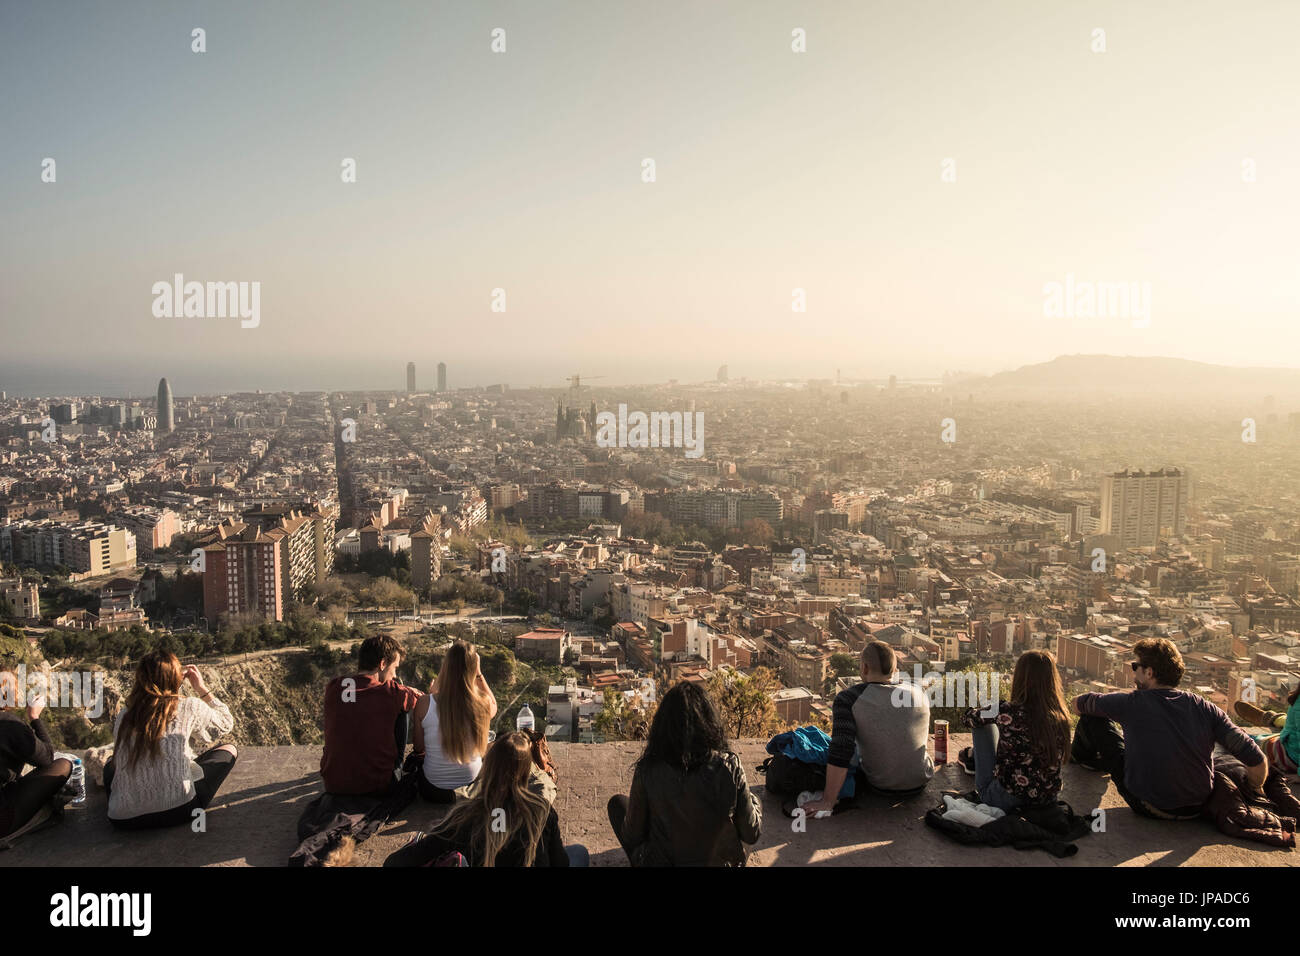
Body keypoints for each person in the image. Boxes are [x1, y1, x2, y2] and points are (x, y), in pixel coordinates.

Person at [1072, 637, 1267, 820]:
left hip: (1149, 805)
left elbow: (1078, 704)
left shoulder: (1131, 703)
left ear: (1149, 672)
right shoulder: (1204, 707)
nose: (1133, 673)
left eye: (1135, 666)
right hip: (1197, 806)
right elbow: (1257, 759)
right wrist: (1254, 788)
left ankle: (1083, 760)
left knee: (1093, 719)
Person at [607, 682, 761, 866]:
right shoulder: (729, 766)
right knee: (754, 802)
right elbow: (751, 834)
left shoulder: (649, 769)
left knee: (617, 805)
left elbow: (632, 836)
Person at [384, 731, 587, 867]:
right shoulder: (542, 810)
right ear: (528, 774)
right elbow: (561, 863)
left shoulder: (465, 817)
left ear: (488, 768)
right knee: (579, 852)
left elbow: (394, 862)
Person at [105, 652, 238, 829]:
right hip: (180, 810)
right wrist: (201, 688)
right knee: (229, 750)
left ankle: (129, 802)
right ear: (176, 677)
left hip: (123, 820)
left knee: (109, 765)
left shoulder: (126, 713)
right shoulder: (189, 706)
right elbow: (225, 724)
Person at [802, 641, 933, 816]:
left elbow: (841, 750)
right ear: (895, 670)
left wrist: (828, 801)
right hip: (920, 780)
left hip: (881, 785)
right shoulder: (919, 691)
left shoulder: (848, 698)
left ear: (864, 668)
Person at [956, 649, 1071, 811]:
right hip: (1047, 801)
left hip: (1005, 799)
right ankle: (972, 755)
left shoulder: (1007, 710)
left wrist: (988, 712)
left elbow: (968, 719)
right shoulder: (1061, 716)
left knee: (981, 724)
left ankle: (972, 757)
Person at [320, 634, 423, 797]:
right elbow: (422, 702)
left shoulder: (334, 687)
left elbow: (363, 697)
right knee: (403, 709)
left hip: (334, 784)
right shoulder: (393, 693)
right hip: (377, 786)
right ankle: (398, 766)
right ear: (382, 664)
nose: (395, 675)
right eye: (394, 668)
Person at [411, 639, 495, 803]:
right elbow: (494, 705)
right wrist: (478, 673)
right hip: (471, 789)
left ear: (446, 666)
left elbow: (419, 747)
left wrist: (432, 694)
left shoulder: (424, 703)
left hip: (433, 791)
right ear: (473, 668)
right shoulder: (483, 703)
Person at [0, 667, 73, 841]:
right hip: (2, 818)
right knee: (63, 765)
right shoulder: (10, 725)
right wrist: (34, 717)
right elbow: (47, 758)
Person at [1235, 686, 1300, 777]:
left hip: (1289, 757)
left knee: (1246, 739)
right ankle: (1270, 718)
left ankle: (1268, 718)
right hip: (1291, 751)